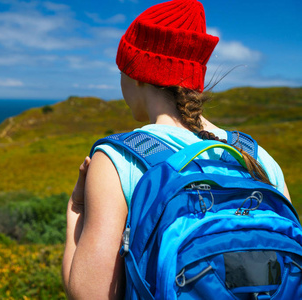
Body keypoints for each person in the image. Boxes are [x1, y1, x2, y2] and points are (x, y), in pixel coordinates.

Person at [62, 0, 292, 299]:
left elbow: (90, 295)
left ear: (137, 75)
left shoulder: (120, 159)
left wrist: (76, 209)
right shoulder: (256, 156)